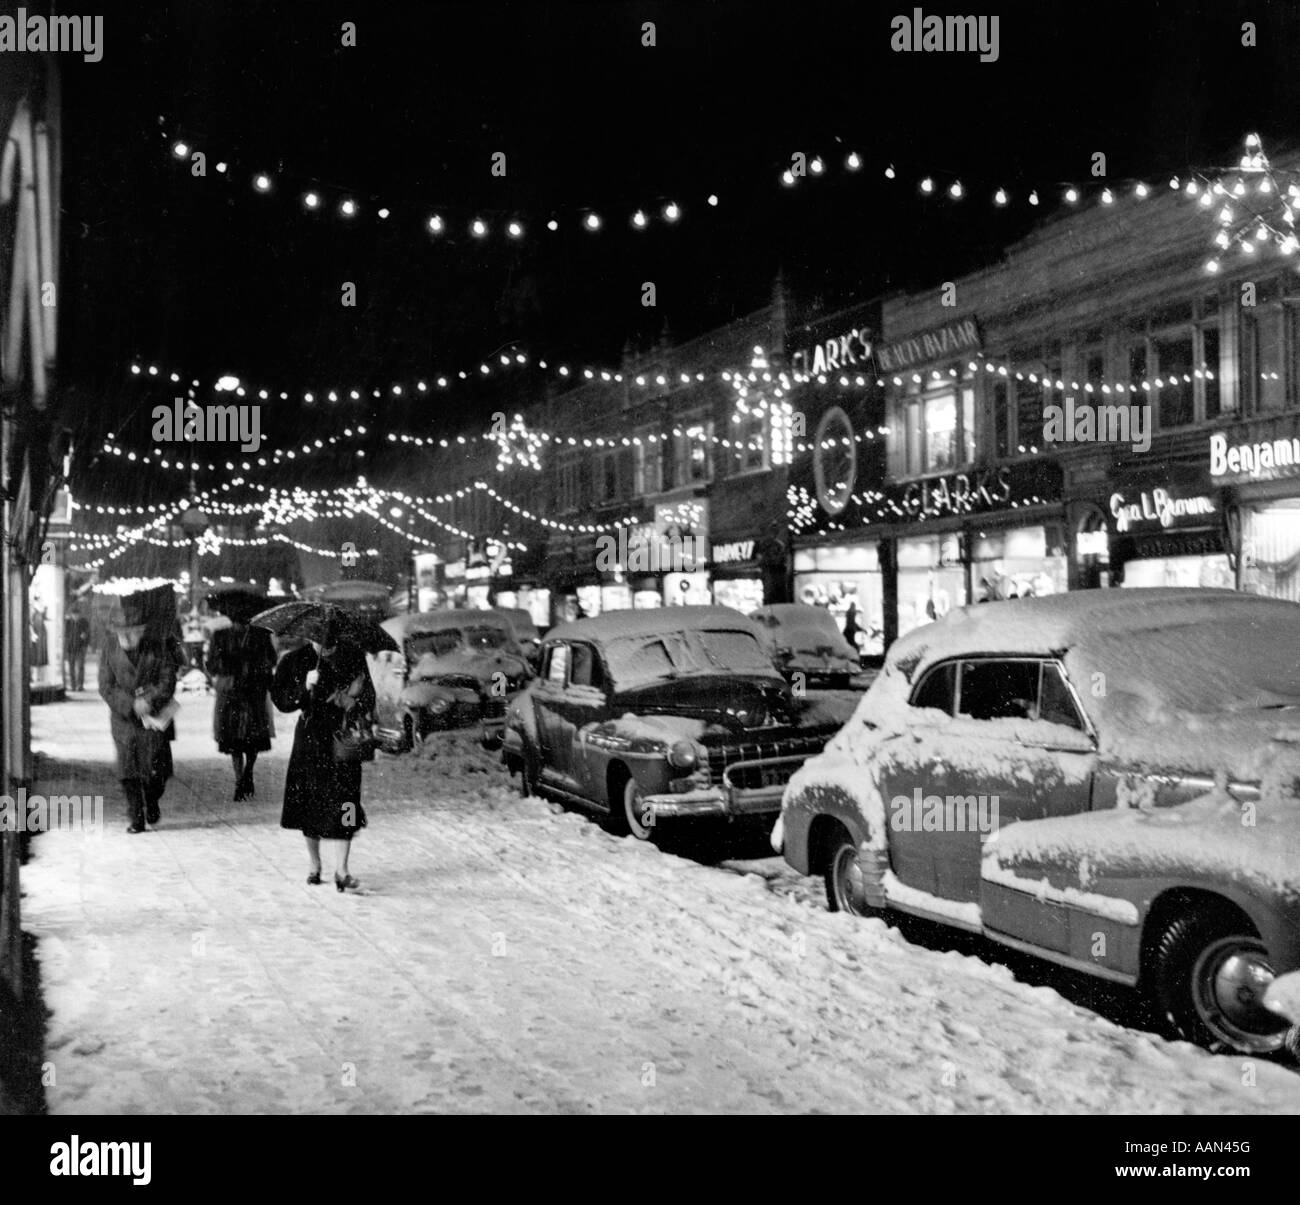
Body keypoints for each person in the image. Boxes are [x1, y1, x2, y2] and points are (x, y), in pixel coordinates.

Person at [272, 621, 375, 891]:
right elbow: (281, 700)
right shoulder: (295, 660)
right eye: (318, 635)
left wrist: (349, 702)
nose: (325, 641)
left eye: (330, 636)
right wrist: (304, 689)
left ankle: (342, 870)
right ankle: (314, 864)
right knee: (310, 800)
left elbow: (369, 698)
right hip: (310, 739)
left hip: (343, 738)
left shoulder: (352, 657)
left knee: (347, 801)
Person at [98, 594, 181, 833]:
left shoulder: (158, 647)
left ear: (142, 630)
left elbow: (168, 678)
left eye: (133, 631)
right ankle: (136, 816)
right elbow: (106, 686)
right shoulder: (109, 649)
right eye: (122, 631)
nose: (127, 636)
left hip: (153, 719)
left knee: (157, 770)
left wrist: (150, 700)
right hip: (124, 720)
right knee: (127, 770)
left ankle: (152, 799)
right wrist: (130, 704)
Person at [206, 614, 277, 800]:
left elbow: (271, 659)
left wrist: (255, 664)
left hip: (253, 691)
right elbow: (212, 665)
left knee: (253, 738)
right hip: (231, 691)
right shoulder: (220, 636)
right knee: (233, 739)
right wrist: (228, 661)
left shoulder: (261, 635)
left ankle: (248, 772)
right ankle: (240, 780)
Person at [64, 606, 91, 691]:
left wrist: (85, 641)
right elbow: (65, 635)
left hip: (80, 648)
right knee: (71, 667)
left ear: (79, 615)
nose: (75, 616)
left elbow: (88, 633)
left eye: (77, 615)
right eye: (74, 615)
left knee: (80, 667)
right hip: (70, 648)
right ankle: (73, 685)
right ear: (71, 615)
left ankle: (80, 685)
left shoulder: (84, 622)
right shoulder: (68, 623)